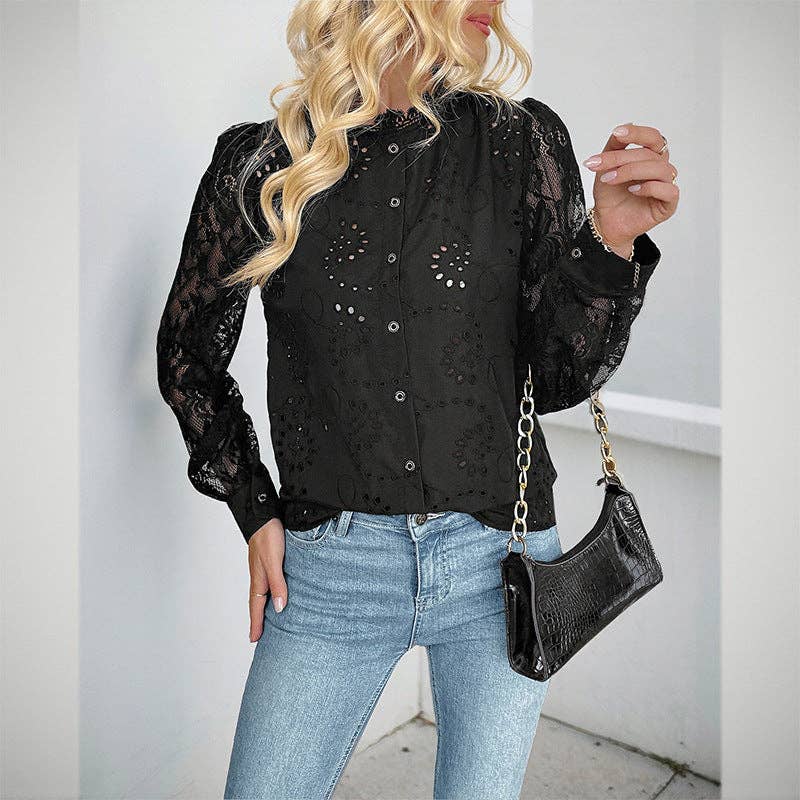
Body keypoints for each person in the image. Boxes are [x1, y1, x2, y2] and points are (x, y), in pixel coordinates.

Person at [155, 1, 678, 797]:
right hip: (330, 572)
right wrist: (254, 508)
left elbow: (558, 379)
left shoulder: (522, 143)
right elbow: (188, 355)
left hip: (502, 564)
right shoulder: (264, 163)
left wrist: (609, 245)